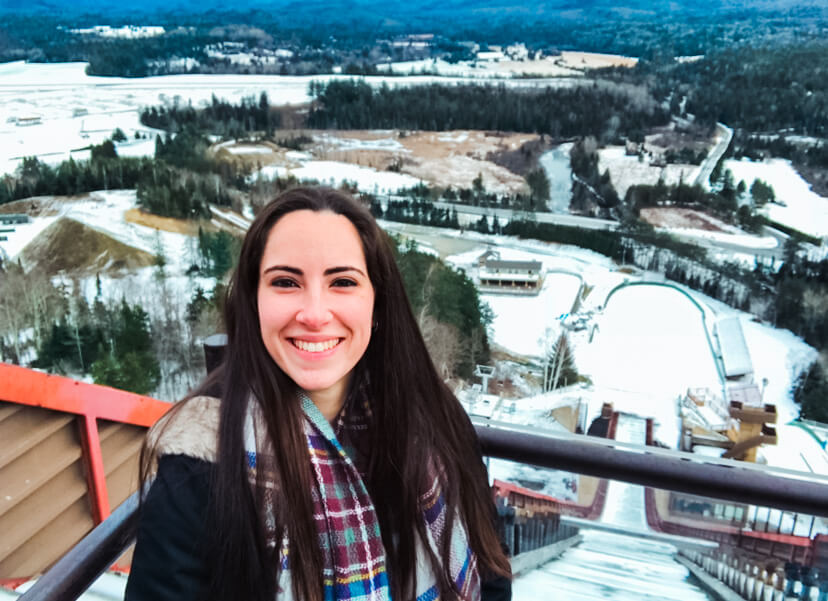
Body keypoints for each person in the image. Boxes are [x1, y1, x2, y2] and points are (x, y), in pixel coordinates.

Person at [125, 187, 512, 601]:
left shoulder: (433, 418)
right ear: (254, 301)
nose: (313, 314)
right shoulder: (201, 462)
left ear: (377, 304)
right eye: (286, 282)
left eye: (342, 282)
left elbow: (489, 569)